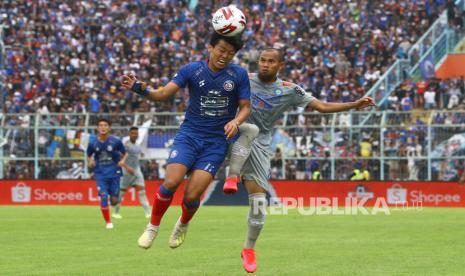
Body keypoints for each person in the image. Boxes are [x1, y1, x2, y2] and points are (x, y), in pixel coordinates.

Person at [221, 48, 376, 273]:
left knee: (258, 202)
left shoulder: (290, 90)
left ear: (280, 66)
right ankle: (229, 178)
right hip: (233, 131)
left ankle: (249, 248)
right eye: (262, 60)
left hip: (261, 145)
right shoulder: (244, 79)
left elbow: (321, 107)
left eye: (271, 61)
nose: (264, 64)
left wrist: (354, 104)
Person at [121, 32, 251, 249]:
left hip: (215, 143)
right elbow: (163, 94)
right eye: (221, 50)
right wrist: (141, 90)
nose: (225, 56)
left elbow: (246, 107)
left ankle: (183, 223)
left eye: (230, 53)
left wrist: (236, 122)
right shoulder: (192, 70)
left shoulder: (238, 74)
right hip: (189, 136)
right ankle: (153, 226)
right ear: (210, 47)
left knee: (191, 196)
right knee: (171, 182)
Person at [86, 118, 128, 229]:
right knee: (104, 197)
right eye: (101, 125)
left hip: (114, 173)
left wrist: (122, 161)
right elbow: (88, 155)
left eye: (105, 125)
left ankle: (113, 200)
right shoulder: (93, 143)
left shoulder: (116, 141)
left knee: (114, 201)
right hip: (100, 174)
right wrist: (90, 161)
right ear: (97, 128)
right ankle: (108, 222)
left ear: (109, 128)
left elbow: (125, 153)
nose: (103, 127)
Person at [113, 126, 151, 219]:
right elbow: (119, 160)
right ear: (129, 134)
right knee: (121, 193)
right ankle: (116, 212)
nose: (135, 135)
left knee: (142, 191)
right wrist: (127, 167)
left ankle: (148, 213)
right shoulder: (125, 146)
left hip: (136, 171)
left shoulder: (137, 145)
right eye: (133, 133)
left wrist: (141, 154)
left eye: (136, 133)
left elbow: (136, 156)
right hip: (126, 172)